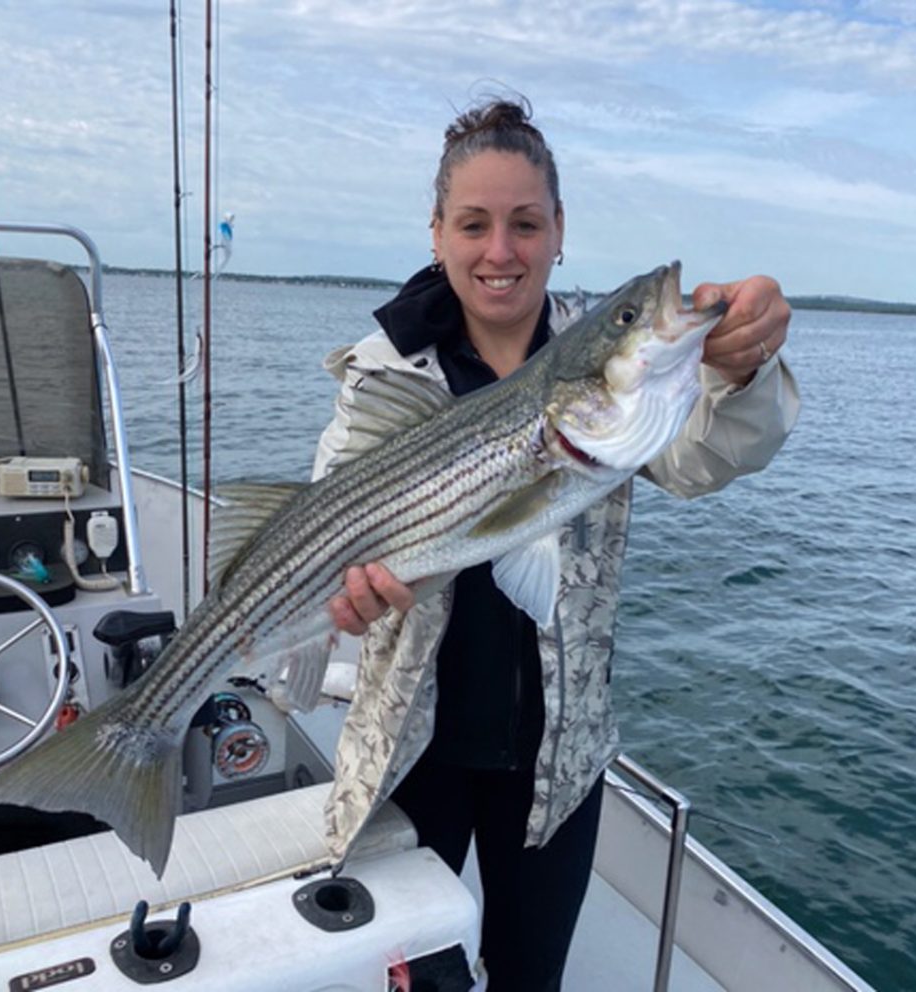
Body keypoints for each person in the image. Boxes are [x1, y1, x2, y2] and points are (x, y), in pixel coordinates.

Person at [312, 97, 799, 990]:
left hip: (557, 760)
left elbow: (706, 457)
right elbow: (329, 525)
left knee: (531, 976)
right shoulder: (385, 373)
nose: (501, 251)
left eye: (526, 223)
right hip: (406, 752)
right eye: (475, 224)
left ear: (559, 230)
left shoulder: (613, 361)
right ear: (437, 234)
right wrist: (346, 599)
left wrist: (745, 368)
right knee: (410, 977)